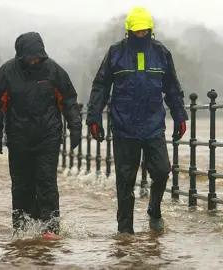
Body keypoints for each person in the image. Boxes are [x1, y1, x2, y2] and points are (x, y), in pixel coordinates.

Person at [86, 7, 188, 235]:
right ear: (129, 31)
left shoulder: (161, 53)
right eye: (137, 31)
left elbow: (172, 87)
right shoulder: (115, 53)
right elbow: (101, 85)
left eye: (144, 31)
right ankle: (125, 232)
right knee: (125, 180)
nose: (141, 34)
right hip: (124, 126)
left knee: (162, 171)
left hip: (153, 125)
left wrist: (179, 115)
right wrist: (94, 117)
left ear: (151, 30)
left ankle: (154, 210)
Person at [0, 31, 82, 239]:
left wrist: (75, 127)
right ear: (21, 56)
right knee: (21, 185)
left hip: (48, 137)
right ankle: (22, 229)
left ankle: (50, 229)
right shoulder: (6, 73)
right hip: (19, 139)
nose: (34, 61)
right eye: (30, 57)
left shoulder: (54, 71)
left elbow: (69, 101)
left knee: (47, 182)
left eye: (37, 56)